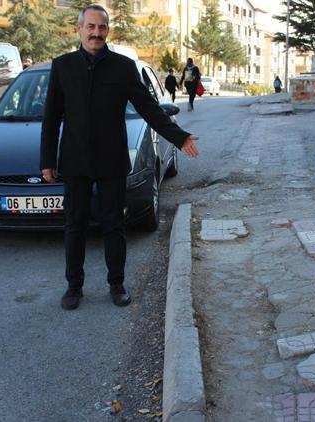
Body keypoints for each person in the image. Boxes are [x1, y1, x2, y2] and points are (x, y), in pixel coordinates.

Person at [40, 5, 199, 311]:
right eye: (91, 27)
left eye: (101, 27)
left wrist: (178, 137)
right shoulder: (62, 66)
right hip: (74, 161)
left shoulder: (123, 67)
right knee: (74, 225)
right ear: (79, 29)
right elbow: (50, 118)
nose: (96, 32)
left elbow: (149, 108)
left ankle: (117, 283)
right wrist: (47, 160)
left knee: (114, 225)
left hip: (111, 159)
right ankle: (74, 286)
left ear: (107, 31)